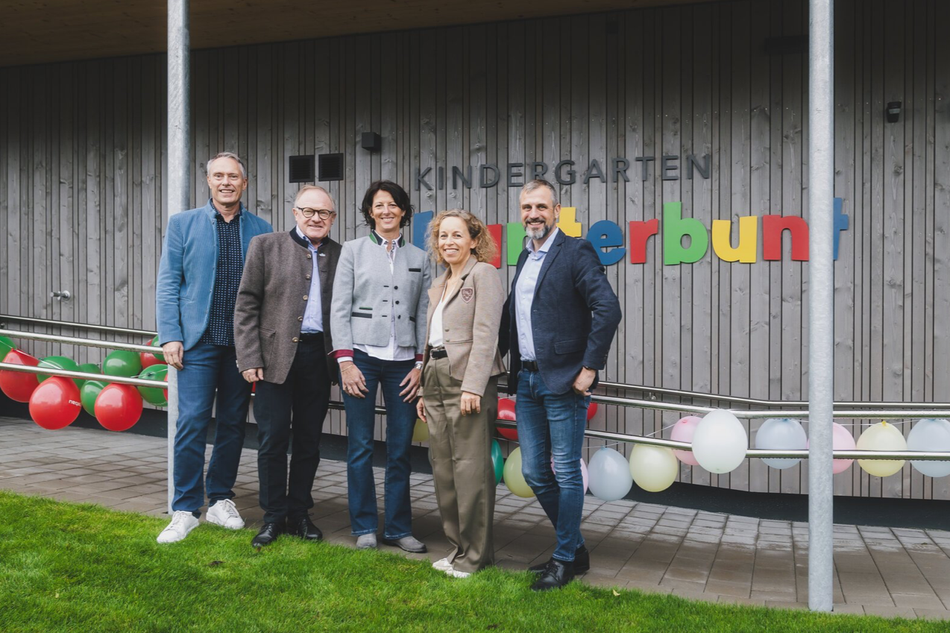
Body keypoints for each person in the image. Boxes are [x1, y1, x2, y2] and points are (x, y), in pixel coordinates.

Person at [500, 178, 622, 590]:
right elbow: (515, 315)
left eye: (541, 207)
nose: (533, 214)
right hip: (528, 380)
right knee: (535, 471)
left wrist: (590, 367)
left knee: (567, 472)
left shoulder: (575, 251)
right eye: (526, 207)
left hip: (565, 381)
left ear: (556, 211)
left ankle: (565, 559)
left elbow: (608, 308)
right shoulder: (525, 255)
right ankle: (576, 549)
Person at [155, 152, 273, 544]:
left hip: (242, 345)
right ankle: (186, 508)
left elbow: (267, 292)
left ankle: (220, 499)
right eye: (218, 175)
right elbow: (169, 282)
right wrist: (170, 334)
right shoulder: (183, 224)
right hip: (197, 343)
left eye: (233, 176)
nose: (226, 182)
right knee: (191, 421)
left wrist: (261, 346)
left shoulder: (261, 230)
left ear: (244, 183)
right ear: (208, 181)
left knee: (233, 423)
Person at [234, 185, 342, 549]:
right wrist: (250, 357)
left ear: (332, 218)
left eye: (323, 213)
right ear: (295, 213)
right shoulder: (265, 246)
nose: (316, 218)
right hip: (273, 359)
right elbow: (246, 304)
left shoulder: (341, 255)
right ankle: (273, 517)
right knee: (273, 439)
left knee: (309, 441)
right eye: (308, 211)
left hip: (319, 359)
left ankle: (299, 513)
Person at [330, 180, 431, 553]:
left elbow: (424, 313)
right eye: (378, 205)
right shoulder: (353, 251)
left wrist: (420, 365)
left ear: (403, 211)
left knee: (400, 449)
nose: (386, 210)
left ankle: (399, 528)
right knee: (359, 446)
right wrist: (345, 362)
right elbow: (339, 308)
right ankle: (364, 527)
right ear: (369, 212)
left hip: (404, 364)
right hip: (361, 359)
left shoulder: (420, 258)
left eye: (393, 204)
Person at [416, 210, 506, 578]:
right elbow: (431, 340)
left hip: (468, 381)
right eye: (443, 236)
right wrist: (422, 388)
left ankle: (476, 557)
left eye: (457, 235)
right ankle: (457, 550)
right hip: (435, 375)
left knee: (470, 469)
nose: (448, 242)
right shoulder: (441, 282)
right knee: (444, 467)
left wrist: (473, 385)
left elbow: (486, 334)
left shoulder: (483, 274)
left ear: (474, 240)